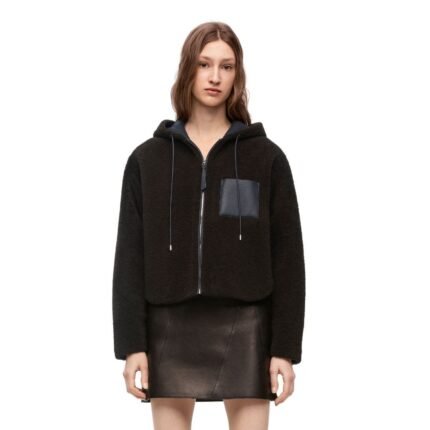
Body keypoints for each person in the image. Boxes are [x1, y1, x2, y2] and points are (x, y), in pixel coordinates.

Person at [112, 21, 306, 430]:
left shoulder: (266, 159)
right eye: (204, 64)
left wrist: (285, 349)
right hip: (168, 325)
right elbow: (129, 258)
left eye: (226, 66)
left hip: (247, 324)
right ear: (188, 69)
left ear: (237, 76)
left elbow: (289, 260)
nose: (215, 76)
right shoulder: (147, 160)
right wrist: (132, 345)